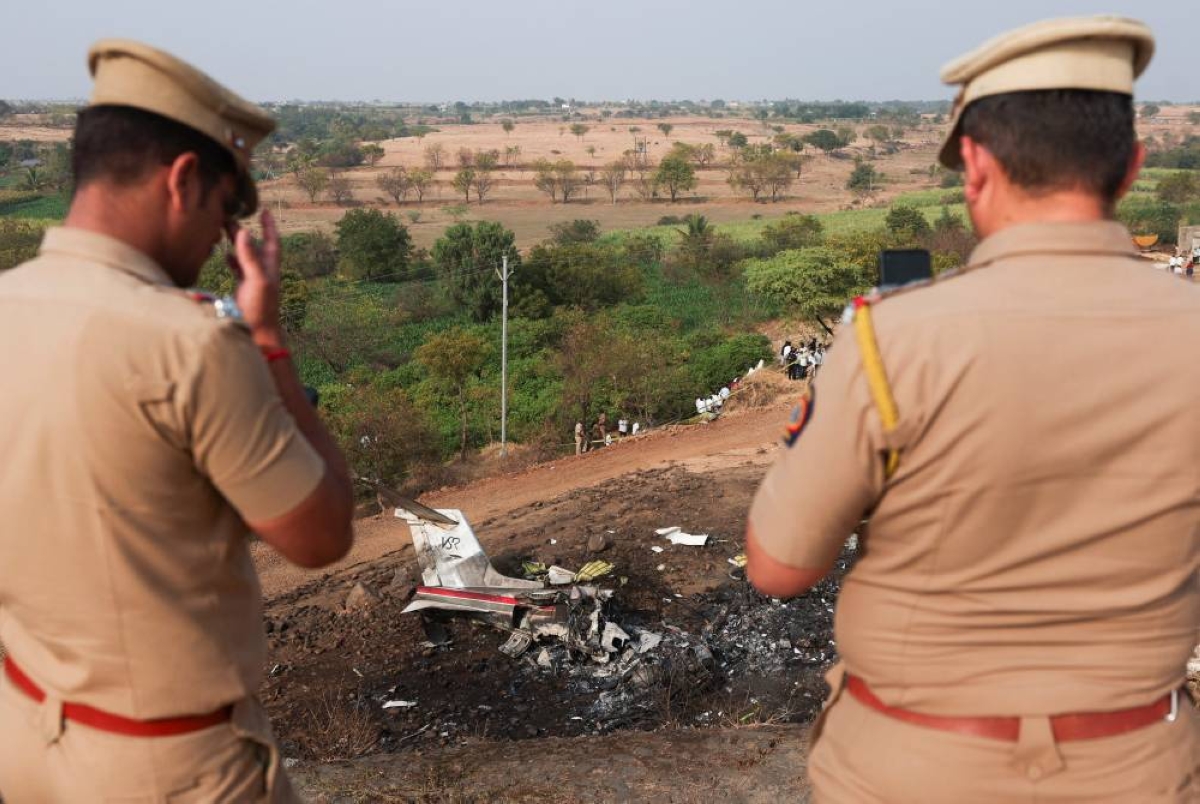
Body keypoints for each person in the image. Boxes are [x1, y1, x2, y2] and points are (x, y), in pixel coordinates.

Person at [746, 16, 1197, 803]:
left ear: (977, 165)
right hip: (1140, 766)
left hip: (914, 771)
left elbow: (779, 569)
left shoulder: (890, 343)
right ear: (1130, 167)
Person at [0, 41, 356, 802]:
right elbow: (321, 535)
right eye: (227, 211)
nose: (219, 238)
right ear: (184, 179)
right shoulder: (191, 345)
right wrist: (266, 342)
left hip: (23, 729)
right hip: (165, 768)